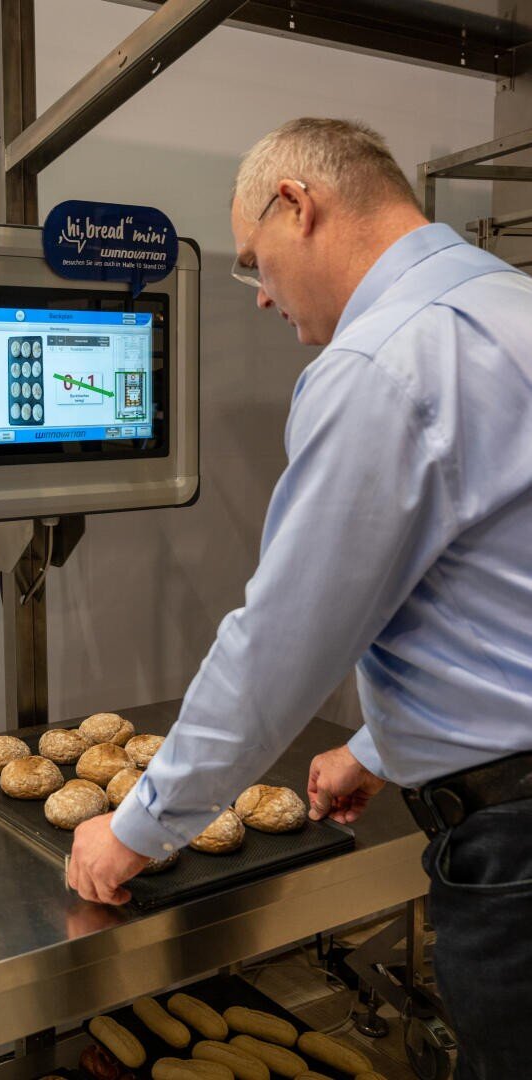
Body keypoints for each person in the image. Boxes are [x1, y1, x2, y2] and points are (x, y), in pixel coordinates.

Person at [68, 118, 532, 1078]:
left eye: (253, 263)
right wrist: (381, 744)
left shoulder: (379, 364)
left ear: (298, 204)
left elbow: (280, 645)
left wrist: (138, 828)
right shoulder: (511, 307)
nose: (262, 297)